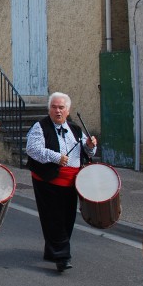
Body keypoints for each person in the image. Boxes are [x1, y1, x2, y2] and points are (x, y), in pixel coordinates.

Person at [26, 92, 96, 273]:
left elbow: (88, 154)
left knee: (68, 218)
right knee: (53, 218)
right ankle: (62, 256)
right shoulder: (40, 127)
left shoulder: (75, 129)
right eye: (54, 107)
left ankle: (52, 250)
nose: (58, 111)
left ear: (68, 110)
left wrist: (90, 146)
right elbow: (33, 149)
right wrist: (56, 157)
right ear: (49, 108)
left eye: (61, 107)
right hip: (47, 179)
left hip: (71, 181)